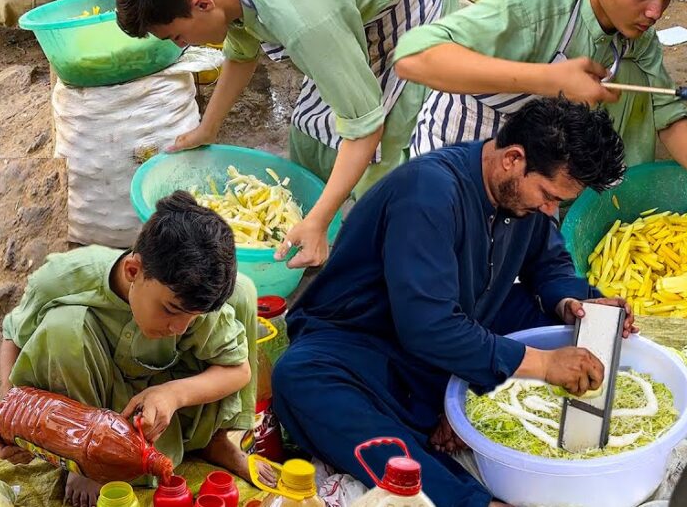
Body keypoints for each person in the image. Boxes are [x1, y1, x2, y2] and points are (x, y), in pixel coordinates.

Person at [270, 98, 636, 506]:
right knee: (298, 380)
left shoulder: (520, 193)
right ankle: (465, 497)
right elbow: (428, 327)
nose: (550, 209)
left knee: (575, 324)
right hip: (367, 346)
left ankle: (450, 405)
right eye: (548, 195)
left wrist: (572, 301)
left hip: (463, 325)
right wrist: (545, 364)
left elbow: (548, 263)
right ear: (513, 159)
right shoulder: (428, 193)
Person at [115, 0, 448, 268]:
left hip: (399, 25)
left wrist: (318, 221)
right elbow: (242, 50)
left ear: (202, 4)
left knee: (379, 165)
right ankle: (311, 238)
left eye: (177, 37)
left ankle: (390, 262)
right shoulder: (227, 6)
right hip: (337, 27)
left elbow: (366, 127)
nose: (183, 45)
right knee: (310, 134)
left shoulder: (303, 22)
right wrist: (207, 128)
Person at [0, 191, 260, 507]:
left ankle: (215, 440)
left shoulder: (188, 298)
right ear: (133, 271)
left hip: (162, 422)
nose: (179, 327)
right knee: (63, 328)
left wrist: (172, 395)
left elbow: (237, 369)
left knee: (243, 292)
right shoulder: (62, 278)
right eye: (170, 310)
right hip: (84, 414)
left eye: (191, 318)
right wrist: (10, 414)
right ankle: (84, 464)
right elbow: (14, 337)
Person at [391, 0, 687, 203]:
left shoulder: (636, 38)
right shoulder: (533, 11)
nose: (655, 11)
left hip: (532, 170)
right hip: (463, 159)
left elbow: (666, 110)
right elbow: (413, 57)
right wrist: (549, 79)